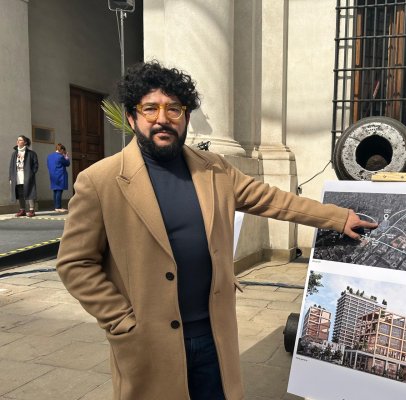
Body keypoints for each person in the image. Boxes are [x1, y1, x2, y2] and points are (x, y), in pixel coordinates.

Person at [55, 61, 377, 400]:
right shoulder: (101, 180)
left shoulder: (214, 170)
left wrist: (338, 218)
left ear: (186, 118)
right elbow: (75, 263)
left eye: (174, 109)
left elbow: (273, 200)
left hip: (213, 335)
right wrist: (120, 320)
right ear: (133, 117)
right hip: (147, 339)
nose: (162, 118)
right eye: (150, 108)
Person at [9, 135, 38, 217]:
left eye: (20, 140)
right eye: (17, 140)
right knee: (20, 193)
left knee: (30, 192)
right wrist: (11, 178)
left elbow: (36, 165)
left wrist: (32, 173)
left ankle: (32, 210)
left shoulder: (31, 153)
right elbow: (11, 166)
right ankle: (22, 210)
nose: (18, 141)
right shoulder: (14, 154)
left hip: (28, 176)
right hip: (17, 176)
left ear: (25, 142)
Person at [47, 143, 70, 212]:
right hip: (60, 175)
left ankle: (56, 206)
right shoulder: (60, 157)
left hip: (52, 175)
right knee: (59, 190)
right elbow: (67, 163)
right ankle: (58, 207)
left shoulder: (49, 156)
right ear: (62, 150)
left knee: (55, 191)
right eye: (64, 151)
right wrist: (66, 157)